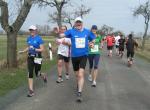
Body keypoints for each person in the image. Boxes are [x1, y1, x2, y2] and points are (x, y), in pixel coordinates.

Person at [60, 17, 95, 102]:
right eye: (77, 22)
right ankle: (78, 83)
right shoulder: (71, 31)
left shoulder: (87, 32)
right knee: (77, 75)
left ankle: (79, 92)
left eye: (80, 22)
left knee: (80, 74)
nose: (78, 24)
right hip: (74, 56)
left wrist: (91, 43)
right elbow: (62, 35)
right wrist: (59, 32)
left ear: (82, 23)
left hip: (84, 55)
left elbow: (93, 38)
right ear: (75, 23)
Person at [19, 25, 47, 97]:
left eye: (33, 30)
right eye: (30, 30)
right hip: (30, 58)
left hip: (37, 57)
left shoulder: (39, 39)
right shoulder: (28, 38)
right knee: (30, 73)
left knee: (37, 74)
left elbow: (42, 49)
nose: (31, 31)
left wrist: (35, 49)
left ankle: (43, 75)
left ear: (36, 30)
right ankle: (31, 90)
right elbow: (28, 47)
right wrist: (23, 51)